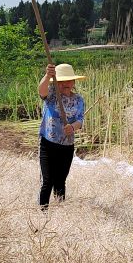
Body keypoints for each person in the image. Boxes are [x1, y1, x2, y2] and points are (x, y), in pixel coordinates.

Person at [37, 62, 85, 207]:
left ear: (74, 82)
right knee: (48, 181)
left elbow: (80, 120)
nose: (66, 84)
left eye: (69, 81)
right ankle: (43, 212)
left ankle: (60, 210)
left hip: (67, 145)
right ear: (56, 82)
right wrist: (48, 75)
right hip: (48, 143)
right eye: (62, 81)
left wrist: (72, 127)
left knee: (60, 180)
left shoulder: (78, 100)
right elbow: (41, 90)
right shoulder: (52, 94)